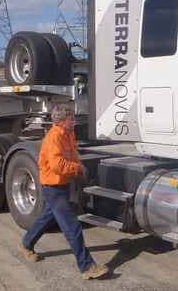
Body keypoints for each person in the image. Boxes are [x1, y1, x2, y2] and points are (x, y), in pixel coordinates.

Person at [18, 103, 109, 280]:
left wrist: (79, 166)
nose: (74, 121)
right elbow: (57, 166)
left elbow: (72, 154)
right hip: (52, 187)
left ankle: (26, 244)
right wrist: (78, 169)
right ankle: (87, 267)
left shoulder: (68, 133)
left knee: (47, 217)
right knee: (72, 226)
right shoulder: (54, 137)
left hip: (62, 184)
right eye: (71, 119)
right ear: (60, 121)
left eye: (73, 118)